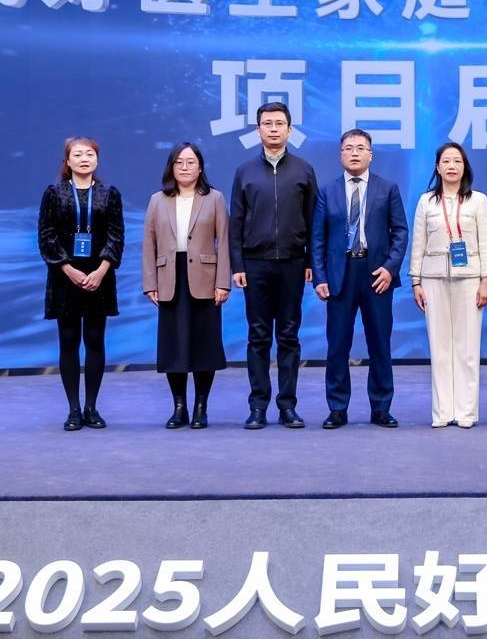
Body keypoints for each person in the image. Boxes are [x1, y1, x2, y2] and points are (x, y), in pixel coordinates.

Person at [311, 129, 409, 428]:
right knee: (337, 345)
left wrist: (390, 269)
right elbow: (317, 238)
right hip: (340, 276)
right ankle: (337, 408)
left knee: (380, 343)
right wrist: (319, 277)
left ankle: (381, 407)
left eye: (360, 148)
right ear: (340, 154)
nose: (354, 153)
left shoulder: (387, 188)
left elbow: (400, 232)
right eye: (349, 148)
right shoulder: (327, 191)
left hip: (376, 275)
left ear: (371, 155)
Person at [229, 102, 318, 429]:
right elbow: (236, 222)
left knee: (289, 336)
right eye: (267, 124)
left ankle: (287, 406)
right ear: (258, 131)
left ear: (290, 130)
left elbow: (314, 221)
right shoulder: (245, 172)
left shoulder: (304, 170)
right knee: (258, 336)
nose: (274, 129)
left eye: (280, 123)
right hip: (255, 264)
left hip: (293, 264)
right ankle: (258, 406)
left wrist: (310, 261)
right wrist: (237, 264)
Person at [141, 142, 231, 429]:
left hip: (205, 278)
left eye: (191, 162)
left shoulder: (214, 198)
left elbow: (224, 242)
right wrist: (150, 283)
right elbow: (148, 244)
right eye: (179, 162)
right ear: (171, 167)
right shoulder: (157, 200)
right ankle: (179, 407)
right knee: (174, 346)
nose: (185, 167)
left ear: (200, 167)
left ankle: (201, 407)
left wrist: (223, 282)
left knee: (204, 345)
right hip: (170, 277)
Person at [38, 136, 124, 431]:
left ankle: (92, 407)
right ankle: (73, 409)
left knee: (95, 341)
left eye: (89, 154)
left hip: (99, 277)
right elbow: (46, 236)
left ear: (97, 159)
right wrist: (68, 269)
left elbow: (116, 236)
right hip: (65, 278)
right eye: (78, 154)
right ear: (67, 161)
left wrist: (101, 270)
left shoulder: (109, 193)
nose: (84, 159)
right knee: (69, 342)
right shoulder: (55, 193)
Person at [408, 142, 487, 428]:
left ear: (465, 166)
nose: (452, 166)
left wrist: (486, 280)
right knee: (440, 347)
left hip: (470, 278)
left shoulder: (478, 200)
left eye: (457, 161)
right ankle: (442, 412)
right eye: (446, 161)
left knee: (467, 348)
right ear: (437, 167)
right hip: (433, 278)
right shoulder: (426, 202)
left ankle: (466, 412)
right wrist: (416, 281)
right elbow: (418, 242)